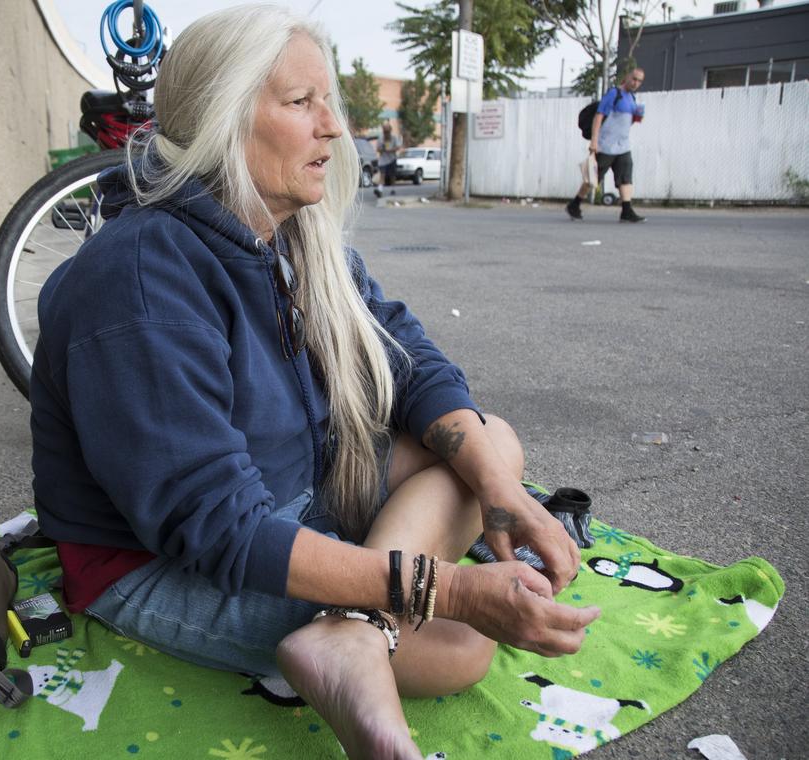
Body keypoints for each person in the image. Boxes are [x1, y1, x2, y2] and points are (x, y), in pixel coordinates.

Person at [31, 6, 598, 758]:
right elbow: (217, 530)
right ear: (221, 119)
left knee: (487, 444)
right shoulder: (141, 282)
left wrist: (506, 496)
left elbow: (408, 361)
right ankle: (360, 634)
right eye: (302, 103)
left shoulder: (289, 234)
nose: (334, 127)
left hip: (290, 488)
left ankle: (353, 642)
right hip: (156, 566)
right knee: (462, 647)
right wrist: (447, 588)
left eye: (327, 102)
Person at [566, 68, 647, 223]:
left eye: (639, 81)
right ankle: (574, 204)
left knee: (625, 178)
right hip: (606, 145)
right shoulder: (613, 94)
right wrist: (594, 141)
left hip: (623, 146)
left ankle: (626, 210)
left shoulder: (632, 98)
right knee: (592, 177)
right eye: (634, 79)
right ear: (627, 77)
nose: (636, 83)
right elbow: (599, 116)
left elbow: (626, 122)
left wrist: (637, 117)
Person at [377, 121, 402, 189]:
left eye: (387, 131)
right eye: (385, 131)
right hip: (383, 160)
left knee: (392, 175)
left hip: (392, 159)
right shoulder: (381, 138)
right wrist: (382, 149)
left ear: (390, 131)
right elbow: (378, 149)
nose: (386, 133)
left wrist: (390, 150)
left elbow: (398, 147)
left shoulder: (394, 137)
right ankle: (380, 189)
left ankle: (393, 189)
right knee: (382, 175)